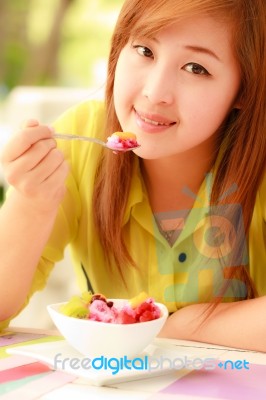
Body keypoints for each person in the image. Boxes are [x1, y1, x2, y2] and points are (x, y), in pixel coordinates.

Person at [0, 0, 265, 351]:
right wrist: (31, 205)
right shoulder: (80, 141)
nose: (155, 93)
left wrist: (184, 326)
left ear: (245, 88)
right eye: (144, 50)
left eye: (195, 68)